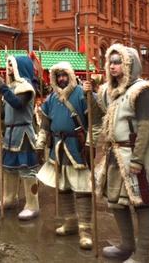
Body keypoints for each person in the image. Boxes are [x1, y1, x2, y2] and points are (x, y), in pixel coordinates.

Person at [85, 43, 149, 263]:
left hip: (134, 153)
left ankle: (141, 256)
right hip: (115, 154)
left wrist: (138, 159)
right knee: (116, 201)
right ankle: (127, 245)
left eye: (118, 62)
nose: (113, 66)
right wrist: (89, 96)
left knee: (142, 202)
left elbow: (146, 126)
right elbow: (101, 115)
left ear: (130, 64)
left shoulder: (143, 91)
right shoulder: (110, 92)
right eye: (110, 62)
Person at [35, 62, 101, 249]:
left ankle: (85, 230)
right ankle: (70, 223)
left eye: (64, 75)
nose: (62, 79)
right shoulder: (51, 99)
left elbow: (95, 120)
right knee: (62, 187)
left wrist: (90, 143)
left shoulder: (82, 93)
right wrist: (40, 145)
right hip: (58, 147)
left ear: (70, 76)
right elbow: (45, 126)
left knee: (81, 189)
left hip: (77, 147)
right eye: (58, 76)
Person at [0, 55, 40, 220]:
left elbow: (18, 105)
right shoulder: (10, 87)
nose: (9, 68)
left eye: (12, 65)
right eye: (8, 65)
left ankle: (32, 205)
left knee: (27, 170)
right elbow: (7, 111)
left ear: (21, 67)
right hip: (10, 134)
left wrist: (3, 88)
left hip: (24, 134)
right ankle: (9, 198)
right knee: (9, 169)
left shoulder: (26, 87)